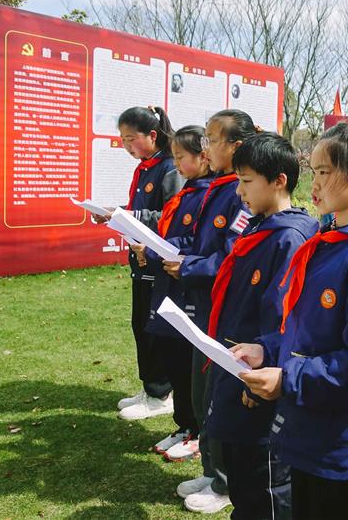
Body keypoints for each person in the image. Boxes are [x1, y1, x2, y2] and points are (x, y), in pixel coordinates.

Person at [231, 121, 348, 520]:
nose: (314, 183)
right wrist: (267, 349)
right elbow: (305, 333)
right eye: (313, 171)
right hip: (308, 431)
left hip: (341, 446)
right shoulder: (327, 242)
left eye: (324, 172)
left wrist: (287, 379)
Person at [207, 133, 319, 520]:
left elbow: (283, 317)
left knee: (265, 482)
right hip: (239, 364)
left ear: (279, 181)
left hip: (259, 377)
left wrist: (263, 366)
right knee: (243, 476)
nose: (239, 192)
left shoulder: (290, 237)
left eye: (247, 181)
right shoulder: (261, 226)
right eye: (238, 180)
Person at [170, 110, 257, 514]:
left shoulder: (240, 191)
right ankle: (211, 468)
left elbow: (229, 256)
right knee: (202, 392)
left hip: (227, 313)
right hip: (206, 307)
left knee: (220, 395)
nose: (205, 148)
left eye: (211, 139)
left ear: (235, 146)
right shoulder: (217, 186)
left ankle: (224, 482)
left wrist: (189, 265)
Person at [128, 126, 212, 458]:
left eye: (181, 157)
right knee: (172, 357)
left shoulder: (213, 194)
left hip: (188, 290)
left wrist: (175, 256)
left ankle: (198, 429)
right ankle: (185, 424)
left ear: (203, 156)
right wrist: (151, 247)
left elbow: (205, 244)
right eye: (174, 157)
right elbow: (177, 234)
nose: (175, 164)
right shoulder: (189, 190)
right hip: (169, 285)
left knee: (189, 365)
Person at [103, 106, 182, 418]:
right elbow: (142, 210)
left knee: (153, 327)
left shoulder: (170, 168)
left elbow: (172, 218)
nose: (126, 146)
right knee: (141, 324)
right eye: (122, 140)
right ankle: (151, 385)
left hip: (157, 262)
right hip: (140, 261)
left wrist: (128, 215)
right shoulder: (147, 167)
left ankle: (161, 393)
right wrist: (115, 212)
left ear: (152, 135)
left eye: (130, 139)